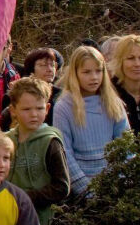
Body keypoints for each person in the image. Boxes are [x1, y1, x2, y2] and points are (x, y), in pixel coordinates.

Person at [53, 46, 129, 196]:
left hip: (115, 184)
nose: (94, 77)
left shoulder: (112, 102)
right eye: (86, 72)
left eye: (98, 71)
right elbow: (65, 152)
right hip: (82, 189)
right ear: (75, 73)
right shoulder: (64, 107)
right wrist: (86, 190)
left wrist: (120, 181)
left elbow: (126, 143)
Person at [4, 77, 71, 225]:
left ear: (47, 109)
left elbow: (62, 187)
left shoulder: (51, 142)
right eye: (27, 109)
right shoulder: (5, 141)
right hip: (6, 217)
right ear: (13, 111)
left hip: (39, 221)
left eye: (39, 108)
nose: (34, 114)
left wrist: (25, 197)